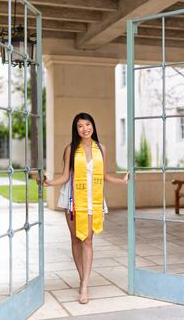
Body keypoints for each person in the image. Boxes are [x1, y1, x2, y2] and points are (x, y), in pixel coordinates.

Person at [38, 112, 129, 304]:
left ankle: (85, 285)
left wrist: (122, 181)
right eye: (80, 126)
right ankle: (82, 278)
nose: (85, 129)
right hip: (72, 198)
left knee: (87, 240)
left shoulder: (101, 149)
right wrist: (49, 183)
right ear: (76, 129)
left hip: (92, 199)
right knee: (75, 240)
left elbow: (104, 175)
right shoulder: (70, 149)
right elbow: (64, 176)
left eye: (88, 124)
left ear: (93, 126)